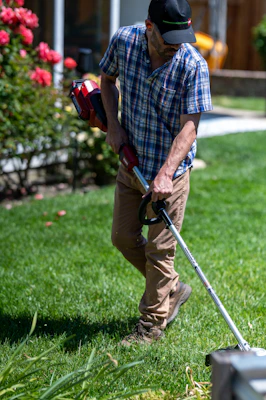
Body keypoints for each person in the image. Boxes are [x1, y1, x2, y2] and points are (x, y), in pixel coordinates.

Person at [99, 0, 213, 346]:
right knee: (122, 237)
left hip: (171, 174)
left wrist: (166, 174)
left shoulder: (193, 65)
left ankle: (150, 326)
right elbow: (106, 80)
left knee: (160, 251)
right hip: (132, 162)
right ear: (150, 27)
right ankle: (173, 289)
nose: (177, 44)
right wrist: (113, 127)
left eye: (183, 35)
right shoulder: (125, 41)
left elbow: (189, 128)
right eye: (169, 37)